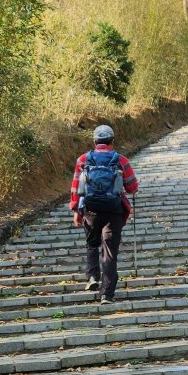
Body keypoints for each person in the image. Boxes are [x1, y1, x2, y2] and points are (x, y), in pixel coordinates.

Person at [70, 124, 138, 303]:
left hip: (91, 210)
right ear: (112, 141)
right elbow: (132, 187)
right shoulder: (120, 160)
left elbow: (76, 188)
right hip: (114, 210)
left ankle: (93, 276)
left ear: (94, 141)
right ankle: (107, 294)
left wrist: (76, 210)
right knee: (109, 251)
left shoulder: (83, 159)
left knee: (92, 243)